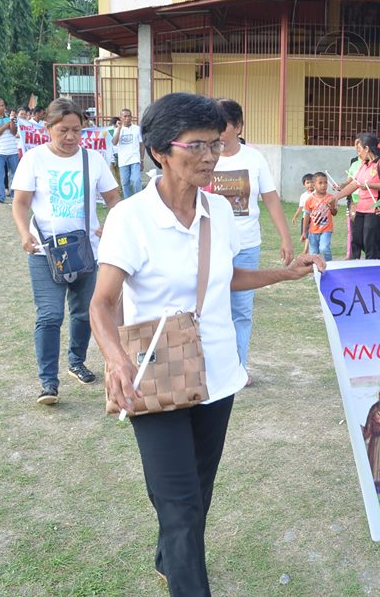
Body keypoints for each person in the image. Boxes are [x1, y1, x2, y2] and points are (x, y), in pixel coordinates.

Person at [88, 92, 324, 595]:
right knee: (179, 501)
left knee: (197, 490)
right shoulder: (130, 219)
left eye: (216, 144)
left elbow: (224, 276)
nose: (211, 157)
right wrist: (115, 359)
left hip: (217, 370)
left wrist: (283, 273)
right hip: (155, 371)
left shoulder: (218, 208)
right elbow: (102, 304)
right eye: (196, 146)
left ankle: (168, 553)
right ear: (159, 151)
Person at [11, 97, 122, 405]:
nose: (71, 137)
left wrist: (111, 223)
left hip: (86, 251)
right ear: (48, 128)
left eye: (77, 130)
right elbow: (20, 203)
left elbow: (115, 199)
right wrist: (24, 233)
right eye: (63, 130)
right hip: (44, 252)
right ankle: (48, 382)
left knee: (86, 313)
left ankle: (76, 360)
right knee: (49, 316)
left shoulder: (93, 160)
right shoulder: (33, 159)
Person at [213, 98, 294, 371]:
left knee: (241, 311)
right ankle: (213, 366)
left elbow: (271, 199)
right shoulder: (205, 156)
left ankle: (239, 366)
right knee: (211, 308)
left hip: (246, 245)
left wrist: (285, 238)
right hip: (210, 245)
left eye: (222, 126)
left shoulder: (254, 158)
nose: (216, 133)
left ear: (238, 126)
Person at [333, 133, 380, 260]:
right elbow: (355, 183)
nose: (358, 153)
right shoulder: (364, 165)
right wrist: (337, 197)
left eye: (359, 149)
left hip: (376, 204)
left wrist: (371, 185)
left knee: (370, 239)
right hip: (362, 207)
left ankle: (372, 265)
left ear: (367, 149)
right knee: (357, 238)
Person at [0, 97, 19, 203]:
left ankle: (15, 196)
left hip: (12, 151)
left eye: (2, 105)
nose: (1, 107)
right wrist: (5, 125)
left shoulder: (10, 117)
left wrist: (10, 121)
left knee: (15, 174)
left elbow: (13, 131)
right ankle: (0, 197)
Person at [302, 171, 337, 261]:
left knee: (324, 248)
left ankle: (329, 266)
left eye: (325, 183)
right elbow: (306, 217)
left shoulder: (331, 198)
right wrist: (304, 232)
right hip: (313, 231)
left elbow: (334, 213)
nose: (323, 185)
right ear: (314, 185)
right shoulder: (310, 199)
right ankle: (316, 273)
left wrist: (332, 207)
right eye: (320, 183)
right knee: (313, 253)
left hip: (326, 229)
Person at [111, 108, 145, 198]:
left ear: (132, 117)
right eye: (125, 116)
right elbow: (114, 142)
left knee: (136, 180)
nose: (127, 118)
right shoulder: (117, 130)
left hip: (135, 159)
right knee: (125, 183)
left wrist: (142, 160)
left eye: (129, 116)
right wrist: (119, 128)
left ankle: (139, 199)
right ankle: (128, 201)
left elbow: (142, 145)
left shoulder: (137, 129)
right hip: (123, 161)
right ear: (120, 118)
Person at [291, 172, 315, 254]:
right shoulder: (303, 196)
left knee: (311, 235)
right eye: (307, 183)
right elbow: (301, 207)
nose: (310, 185)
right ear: (304, 184)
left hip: (314, 218)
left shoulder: (317, 194)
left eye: (312, 182)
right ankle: (307, 250)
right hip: (305, 218)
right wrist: (295, 217)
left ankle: (305, 251)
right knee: (305, 235)